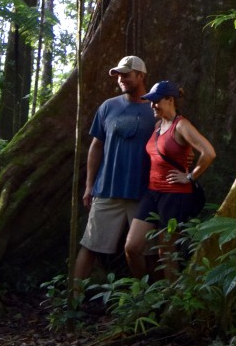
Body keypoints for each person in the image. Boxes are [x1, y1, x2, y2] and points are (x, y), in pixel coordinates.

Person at [73, 55, 157, 287]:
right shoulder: (109, 107)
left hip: (143, 194)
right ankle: (72, 300)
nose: (121, 79)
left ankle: (148, 300)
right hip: (107, 189)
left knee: (148, 252)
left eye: (126, 74)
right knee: (90, 245)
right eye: (118, 75)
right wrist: (90, 185)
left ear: (141, 75)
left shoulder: (156, 108)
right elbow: (96, 146)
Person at [125, 80, 216, 280]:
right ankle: (143, 294)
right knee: (132, 247)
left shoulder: (182, 125)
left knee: (166, 252)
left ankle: (171, 302)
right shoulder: (158, 125)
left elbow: (208, 152)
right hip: (152, 193)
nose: (152, 105)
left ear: (170, 100)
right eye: (151, 101)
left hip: (175, 195)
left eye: (156, 101)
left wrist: (190, 176)